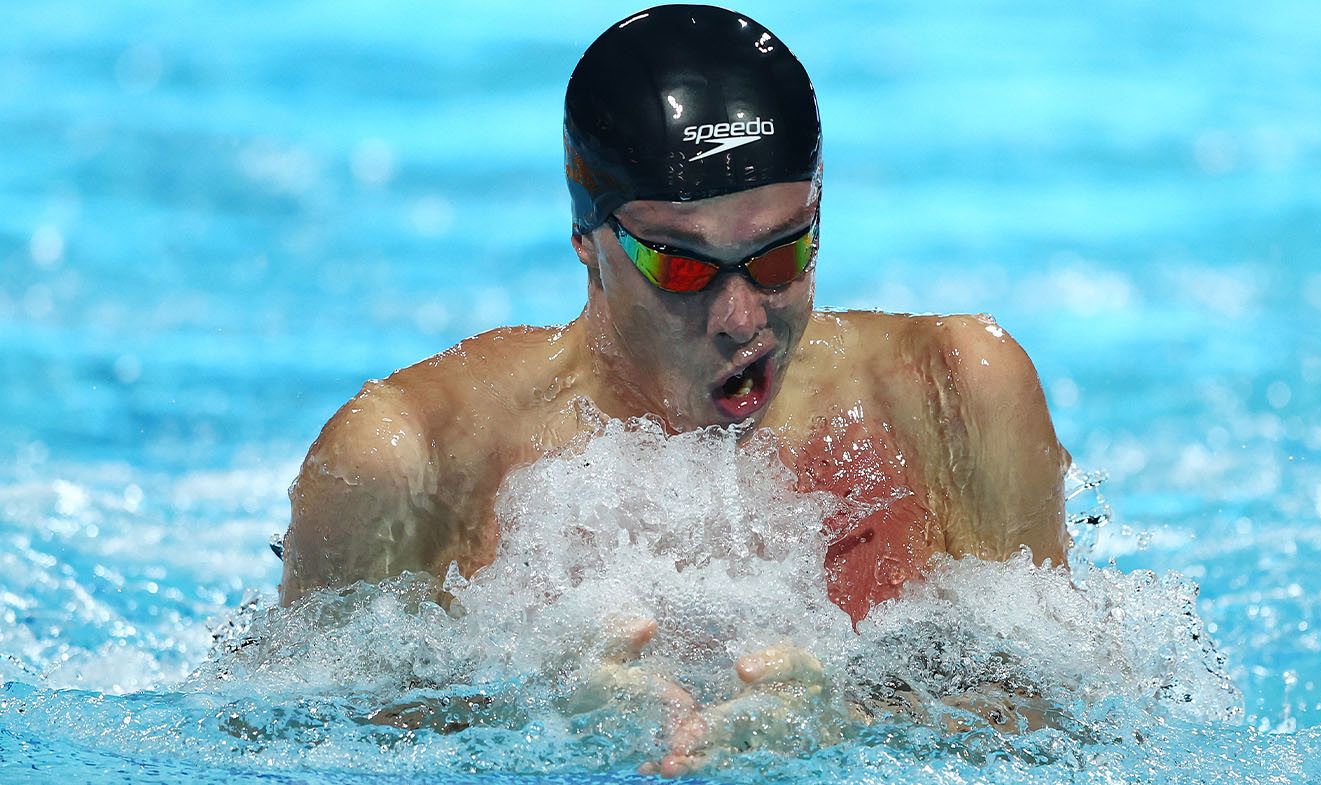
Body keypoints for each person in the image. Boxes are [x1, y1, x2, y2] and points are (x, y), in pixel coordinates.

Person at [278, 3, 1070, 774]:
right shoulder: (411, 460)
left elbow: (1065, 717)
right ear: (589, 243)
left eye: (779, 255)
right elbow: (282, 736)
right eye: (684, 266)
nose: (741, 315)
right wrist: (526, 718)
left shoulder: (953, 392)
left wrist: (858, 729)